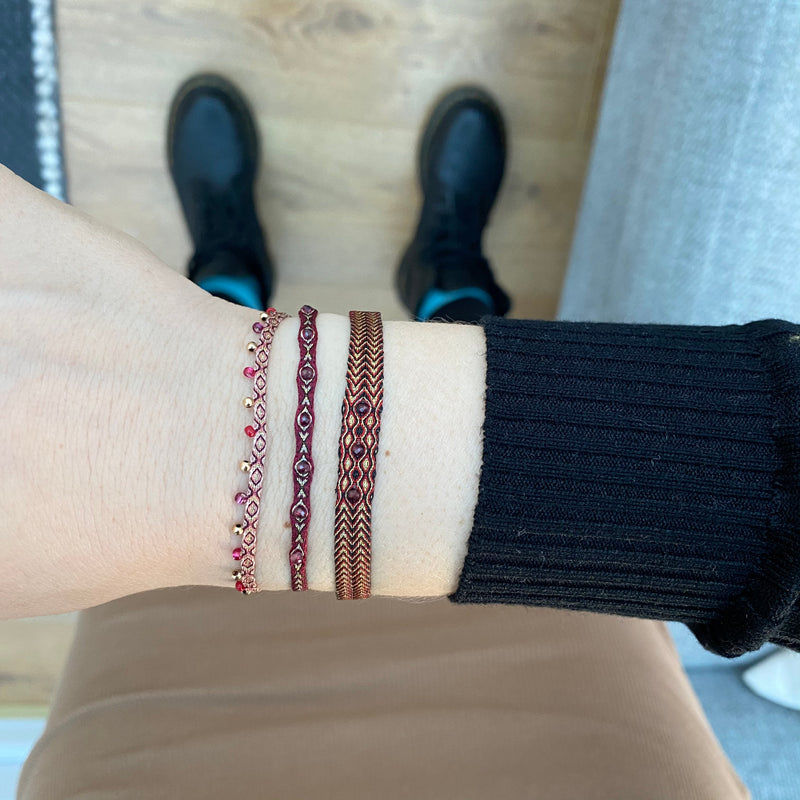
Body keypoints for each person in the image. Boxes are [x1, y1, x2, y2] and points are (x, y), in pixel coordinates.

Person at [4, 68, 798, 799]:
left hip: (153, 741)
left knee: (94, 494)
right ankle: (447, 285)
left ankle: (225, 278)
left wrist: (210, 415)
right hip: (582, 694)